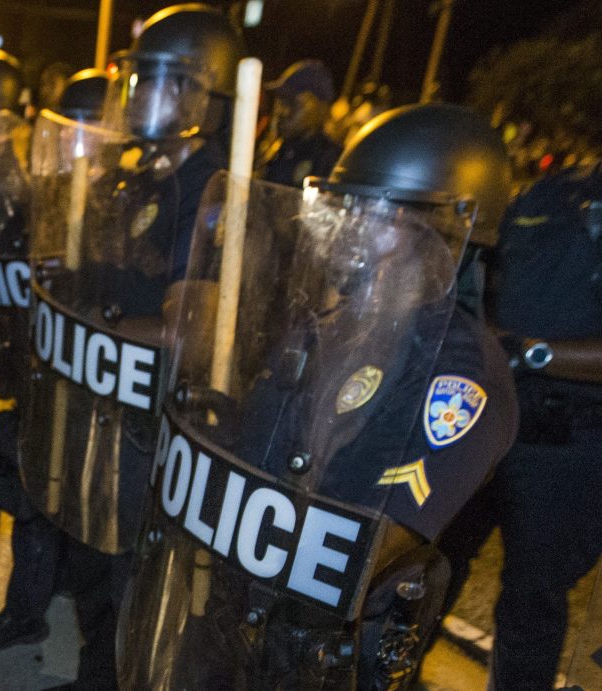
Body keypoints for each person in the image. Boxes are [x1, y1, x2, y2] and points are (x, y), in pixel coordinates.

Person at [115, 103, 519, 689]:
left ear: (442, 227)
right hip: (236, 621)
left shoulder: (459, 378)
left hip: (325, 658)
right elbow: (262, 449)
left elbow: (362, 548)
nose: (340, 222)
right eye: (342, 203)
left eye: (365, 209)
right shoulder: (328, 325)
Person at [17, 6, 245, 689]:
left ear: (192, 91)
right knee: (90, 556)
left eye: (148, 81)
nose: (133, 96)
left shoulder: (214, 189)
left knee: (133, 577)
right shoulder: (138, 171)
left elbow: (190, 331)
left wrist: (100, 320)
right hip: (101, 397)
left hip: (154, 416)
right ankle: (94, 675)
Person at [437, 161, 602, 690]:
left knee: (532, 602)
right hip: (484, 415)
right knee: (429, 562)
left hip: (569, 445)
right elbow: (489, 270)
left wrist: (528, 353)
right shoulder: (550, 192)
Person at [0, 67, 110, 652]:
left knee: (89, 522)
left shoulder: (126, 208)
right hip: (39, 372)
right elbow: (15, 269)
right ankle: (25, 610)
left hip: (97, 386)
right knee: (28, 496)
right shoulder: (41, 192)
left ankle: (94, 653)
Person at [261, 59, 342, 188]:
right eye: (280, 102)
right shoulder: (275, 150)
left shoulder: (330, 160)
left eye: (291, 103)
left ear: (317, 107)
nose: (282, 112)